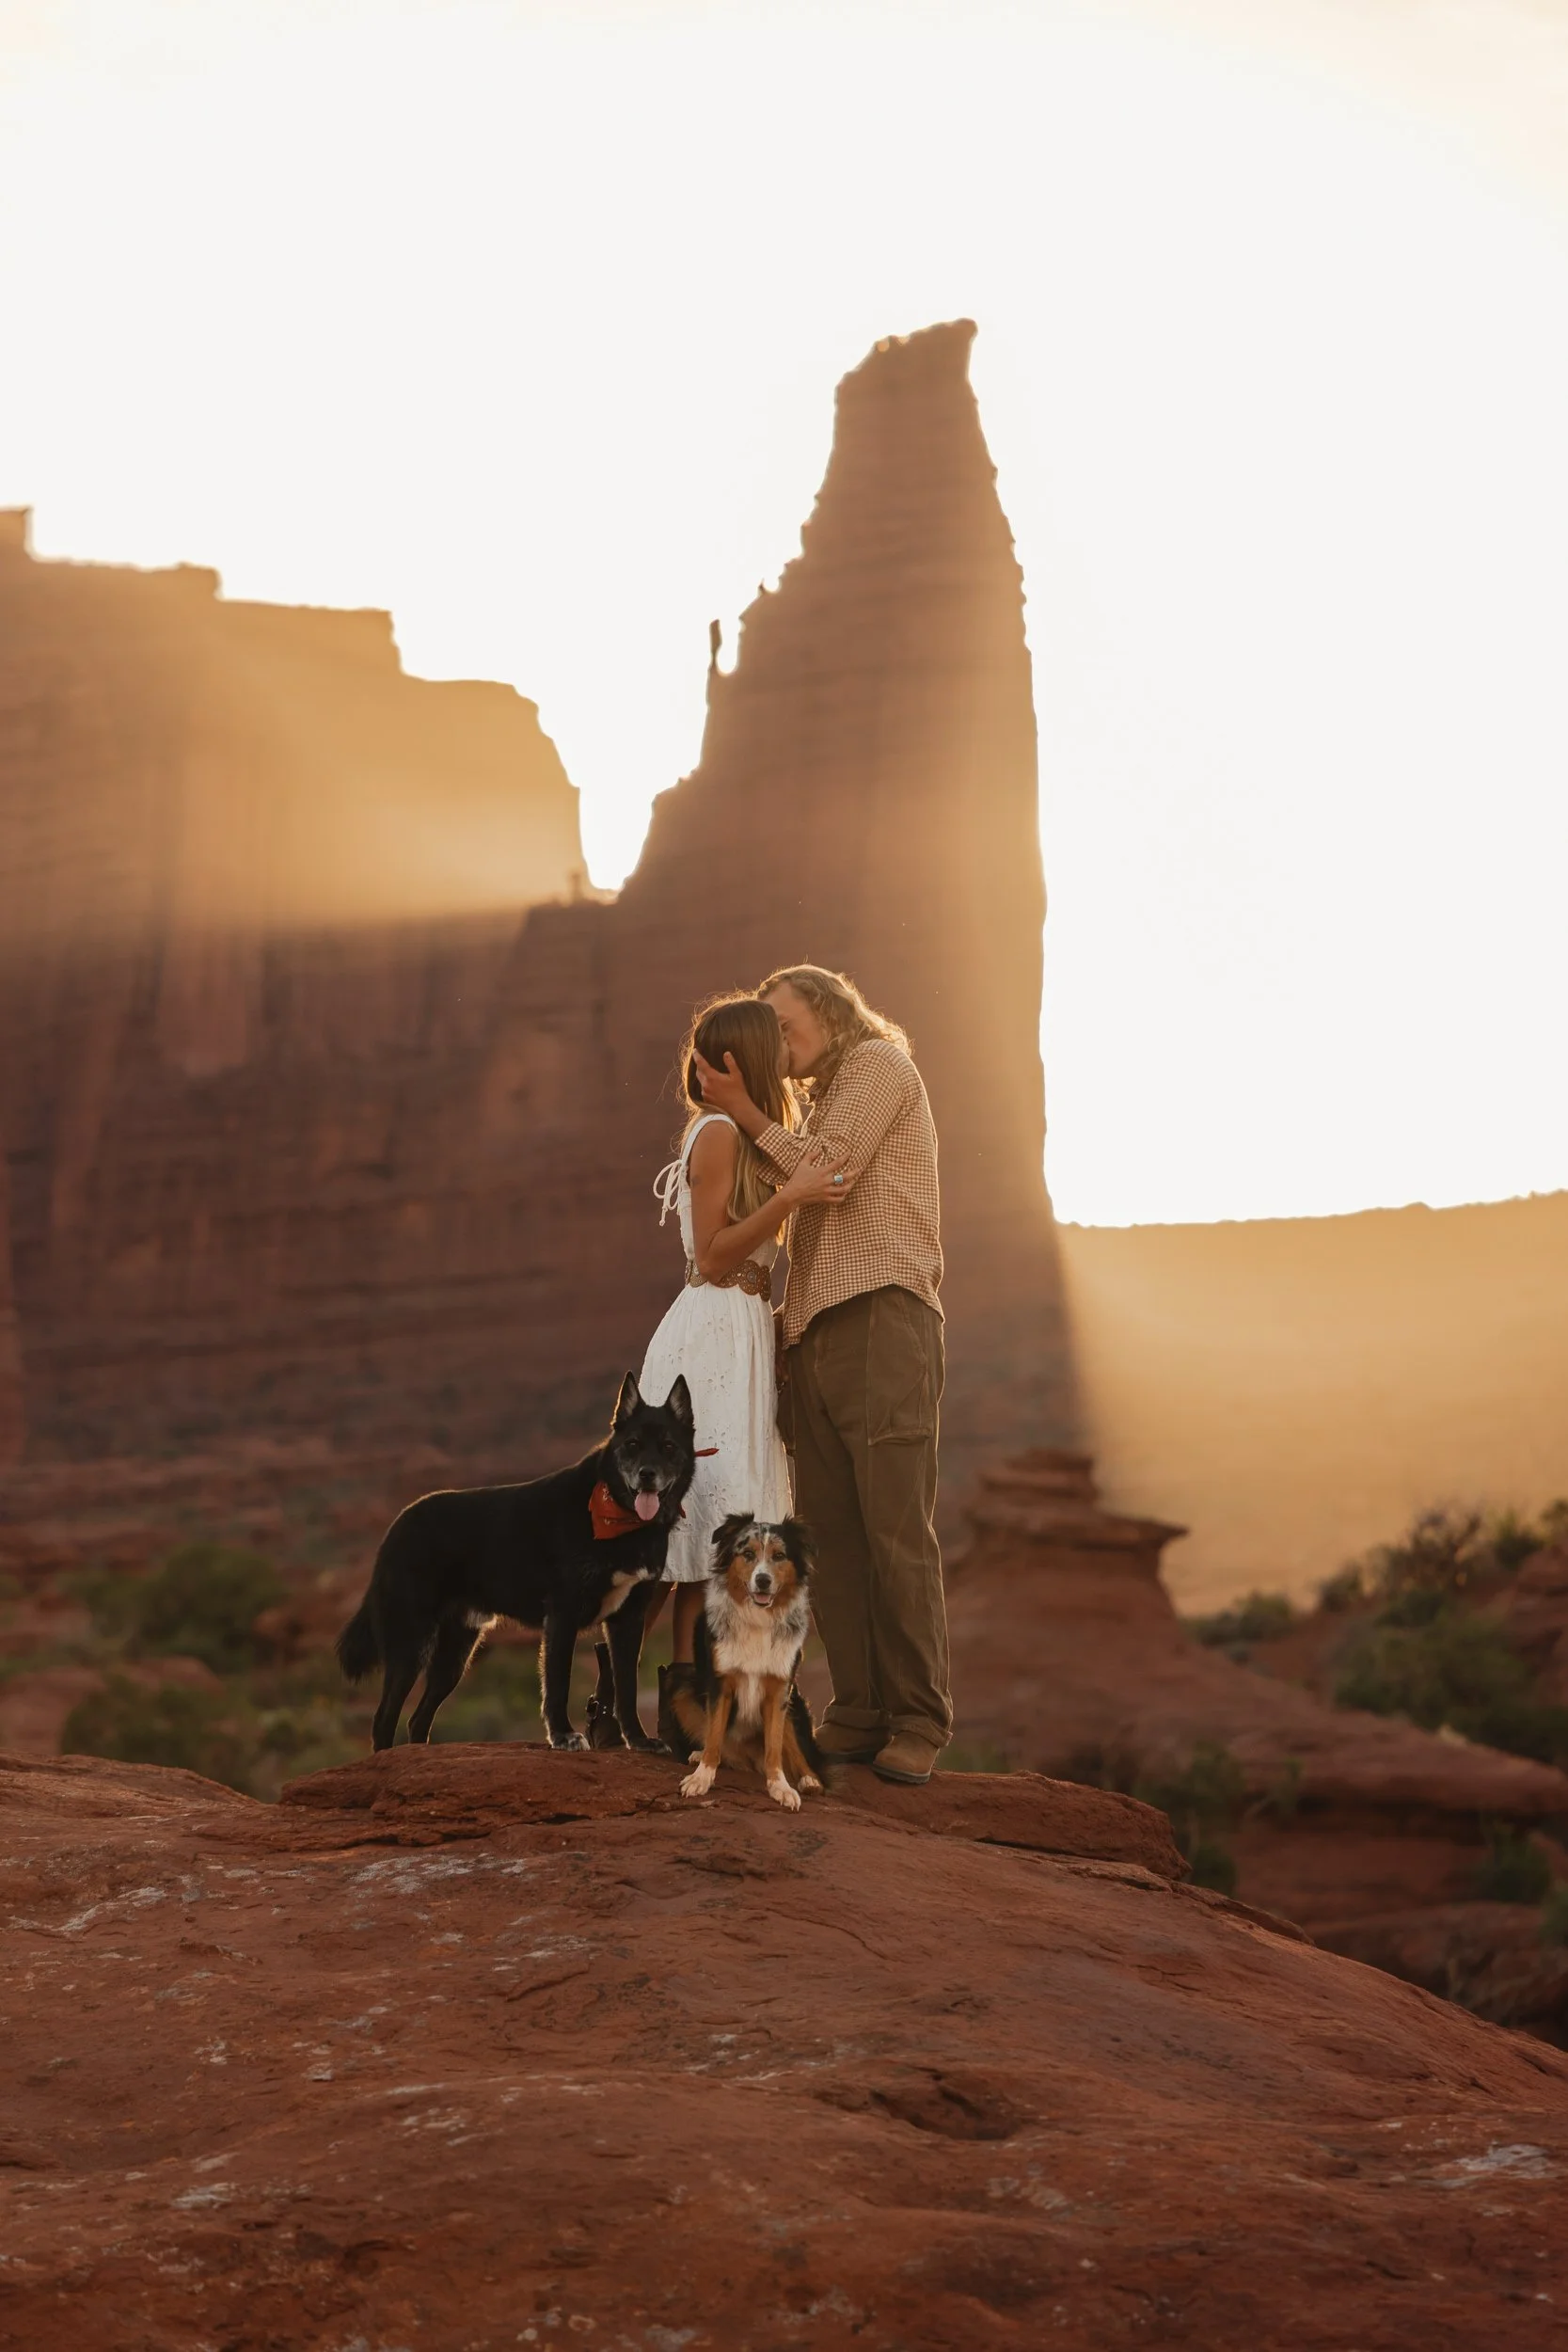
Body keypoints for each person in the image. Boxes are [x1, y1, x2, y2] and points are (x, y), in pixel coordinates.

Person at [693, 963, 950, 1787]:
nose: (772, 1038)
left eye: (780, 1019)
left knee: (894, 1532)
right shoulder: (815, 1101)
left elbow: (827, 1177)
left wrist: (743, 1111)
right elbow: (785, 1183)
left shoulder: (877, 1065)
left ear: (829, 1011)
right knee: (833, 1539)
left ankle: (917, 1719)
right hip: (814, 1335)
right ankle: (859, 1711)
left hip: (883, 1317)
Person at [640, 993, 848, 1751]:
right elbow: (712, 1254)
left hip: (745, 1335)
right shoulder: (721, 1130)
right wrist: (789, 1198)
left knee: (726, 1532)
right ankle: (684, 1719)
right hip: (712, 1337)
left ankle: (718, 1713)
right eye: (780, 1044)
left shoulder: (753, 1135)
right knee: (702, 1532)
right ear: (755, 1056)